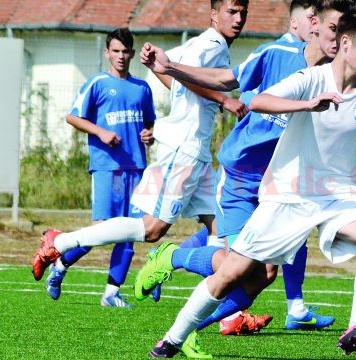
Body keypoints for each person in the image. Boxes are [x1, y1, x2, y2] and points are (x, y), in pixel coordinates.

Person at [139, 7, 356, 358]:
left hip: (339, 196)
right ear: (346, 43)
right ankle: (171, 341)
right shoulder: (311, 79)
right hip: (288, 194)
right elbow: (256, 100)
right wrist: (306, 105)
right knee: (233, 272)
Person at [136, 0, 356, 343]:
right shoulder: (275, 55)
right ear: (314, 24)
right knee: (236, 265)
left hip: (281, 185)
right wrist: (171, 67)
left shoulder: (343, 79)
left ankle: (195, 328)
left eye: (348, 33)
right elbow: (227, 80)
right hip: (242, 176)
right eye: (335, 30)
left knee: (264, 275)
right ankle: (172, 256)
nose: (341, 39)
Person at [31, 1, 249, 356]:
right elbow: (184, 77)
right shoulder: (209, 46)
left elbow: (172, 74)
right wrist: (224, 100)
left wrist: (155, 65)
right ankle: (64, 240)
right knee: (150, 230)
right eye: (232, 11)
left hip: (198, 153)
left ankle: (212, 320)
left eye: (243, 13)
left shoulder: (208, 46)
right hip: (184, 150)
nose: (238, 19)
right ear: (214, 14)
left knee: (220, 238)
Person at [43, 28, 156, 308]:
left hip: (137, 167)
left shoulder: (142, 88)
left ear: (132, 53)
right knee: (100, 230)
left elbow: (150, 124)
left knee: (131, 232)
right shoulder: (97, 84)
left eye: (125, 51)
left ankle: (111, 294)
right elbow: (73, 116)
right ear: (107, 52)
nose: (121, 56)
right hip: (107, 168)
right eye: (115, 51)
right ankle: (60, 264)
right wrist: (101, 132)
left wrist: (150, 134)